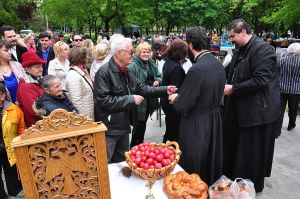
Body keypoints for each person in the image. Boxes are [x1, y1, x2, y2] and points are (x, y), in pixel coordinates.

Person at [94, 37, 176, 163]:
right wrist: (131, 99)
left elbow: (142, 88)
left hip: (123, 125)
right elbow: (104, 101)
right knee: (106, 164)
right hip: (110, 129)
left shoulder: (125, 70)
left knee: (121, 162)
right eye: (130, 52)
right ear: (119, 53)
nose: (133, 55)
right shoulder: (104, 72)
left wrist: (165, 90)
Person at [222, 19, 280, 192]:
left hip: (257, 112)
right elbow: (230, 71)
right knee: (234, 147)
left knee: (250, 153)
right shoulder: (241, 49)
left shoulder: (263, 50)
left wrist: (234, 89)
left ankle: (249, 186)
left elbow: (261, 80)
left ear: (244, 32)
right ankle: (234, 179)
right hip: (239, 107)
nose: (231, 39)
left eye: (233, 36)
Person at [168, 27, 225, 186]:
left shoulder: (197, 69)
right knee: (210, 159)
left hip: (197, 122)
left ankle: (195, 192)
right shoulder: (217, 63)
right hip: (214, 118)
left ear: (191, 45)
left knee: (194, 163)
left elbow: (182, 105)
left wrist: (174, 98)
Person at [128, 42, 162, 147]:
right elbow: (133, 85)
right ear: (138, 53)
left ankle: (140, 145)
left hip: (149, 99)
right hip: (138, 100)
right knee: (138, 126)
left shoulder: (151, 63)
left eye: (148, 52)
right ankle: (134, 148)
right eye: (144, 52)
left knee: (143, 125)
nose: (146, 54)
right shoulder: (133, 65)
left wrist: (157, 81)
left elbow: (159, 75)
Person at [0, 83, 25, 199]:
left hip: (8, 146)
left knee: (10, 168)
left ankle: (14, 190)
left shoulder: (14, 110)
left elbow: (21, 130)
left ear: (2, 95)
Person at [161, 39, 187, 143]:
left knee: (170, 128)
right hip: (172, 103)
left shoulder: (168, 62)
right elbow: (175, 88)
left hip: (165, 101)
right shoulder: (177, 68)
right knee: (173, 131)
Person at [17, 51, 46, 127]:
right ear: (27, 69)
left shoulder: (38, 78)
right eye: (37, 67)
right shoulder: (26, 86)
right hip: (37, 126)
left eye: (41, 66)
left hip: (45, 122)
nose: (41, 69)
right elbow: (34, 111)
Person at [65, 47, 94, 120]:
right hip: (84, 119)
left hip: (89, 115)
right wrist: (85, 119)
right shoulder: (73, 76)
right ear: (82, 58)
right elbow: (76, 101)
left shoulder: (80, 72)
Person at [277, 43, 300, 133]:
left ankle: (277, 129)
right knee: (293, 109)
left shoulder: (282, 60)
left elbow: (276, 72)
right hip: (296, 90)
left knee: (280, 109)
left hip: (281, 88)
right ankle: (291, 125)